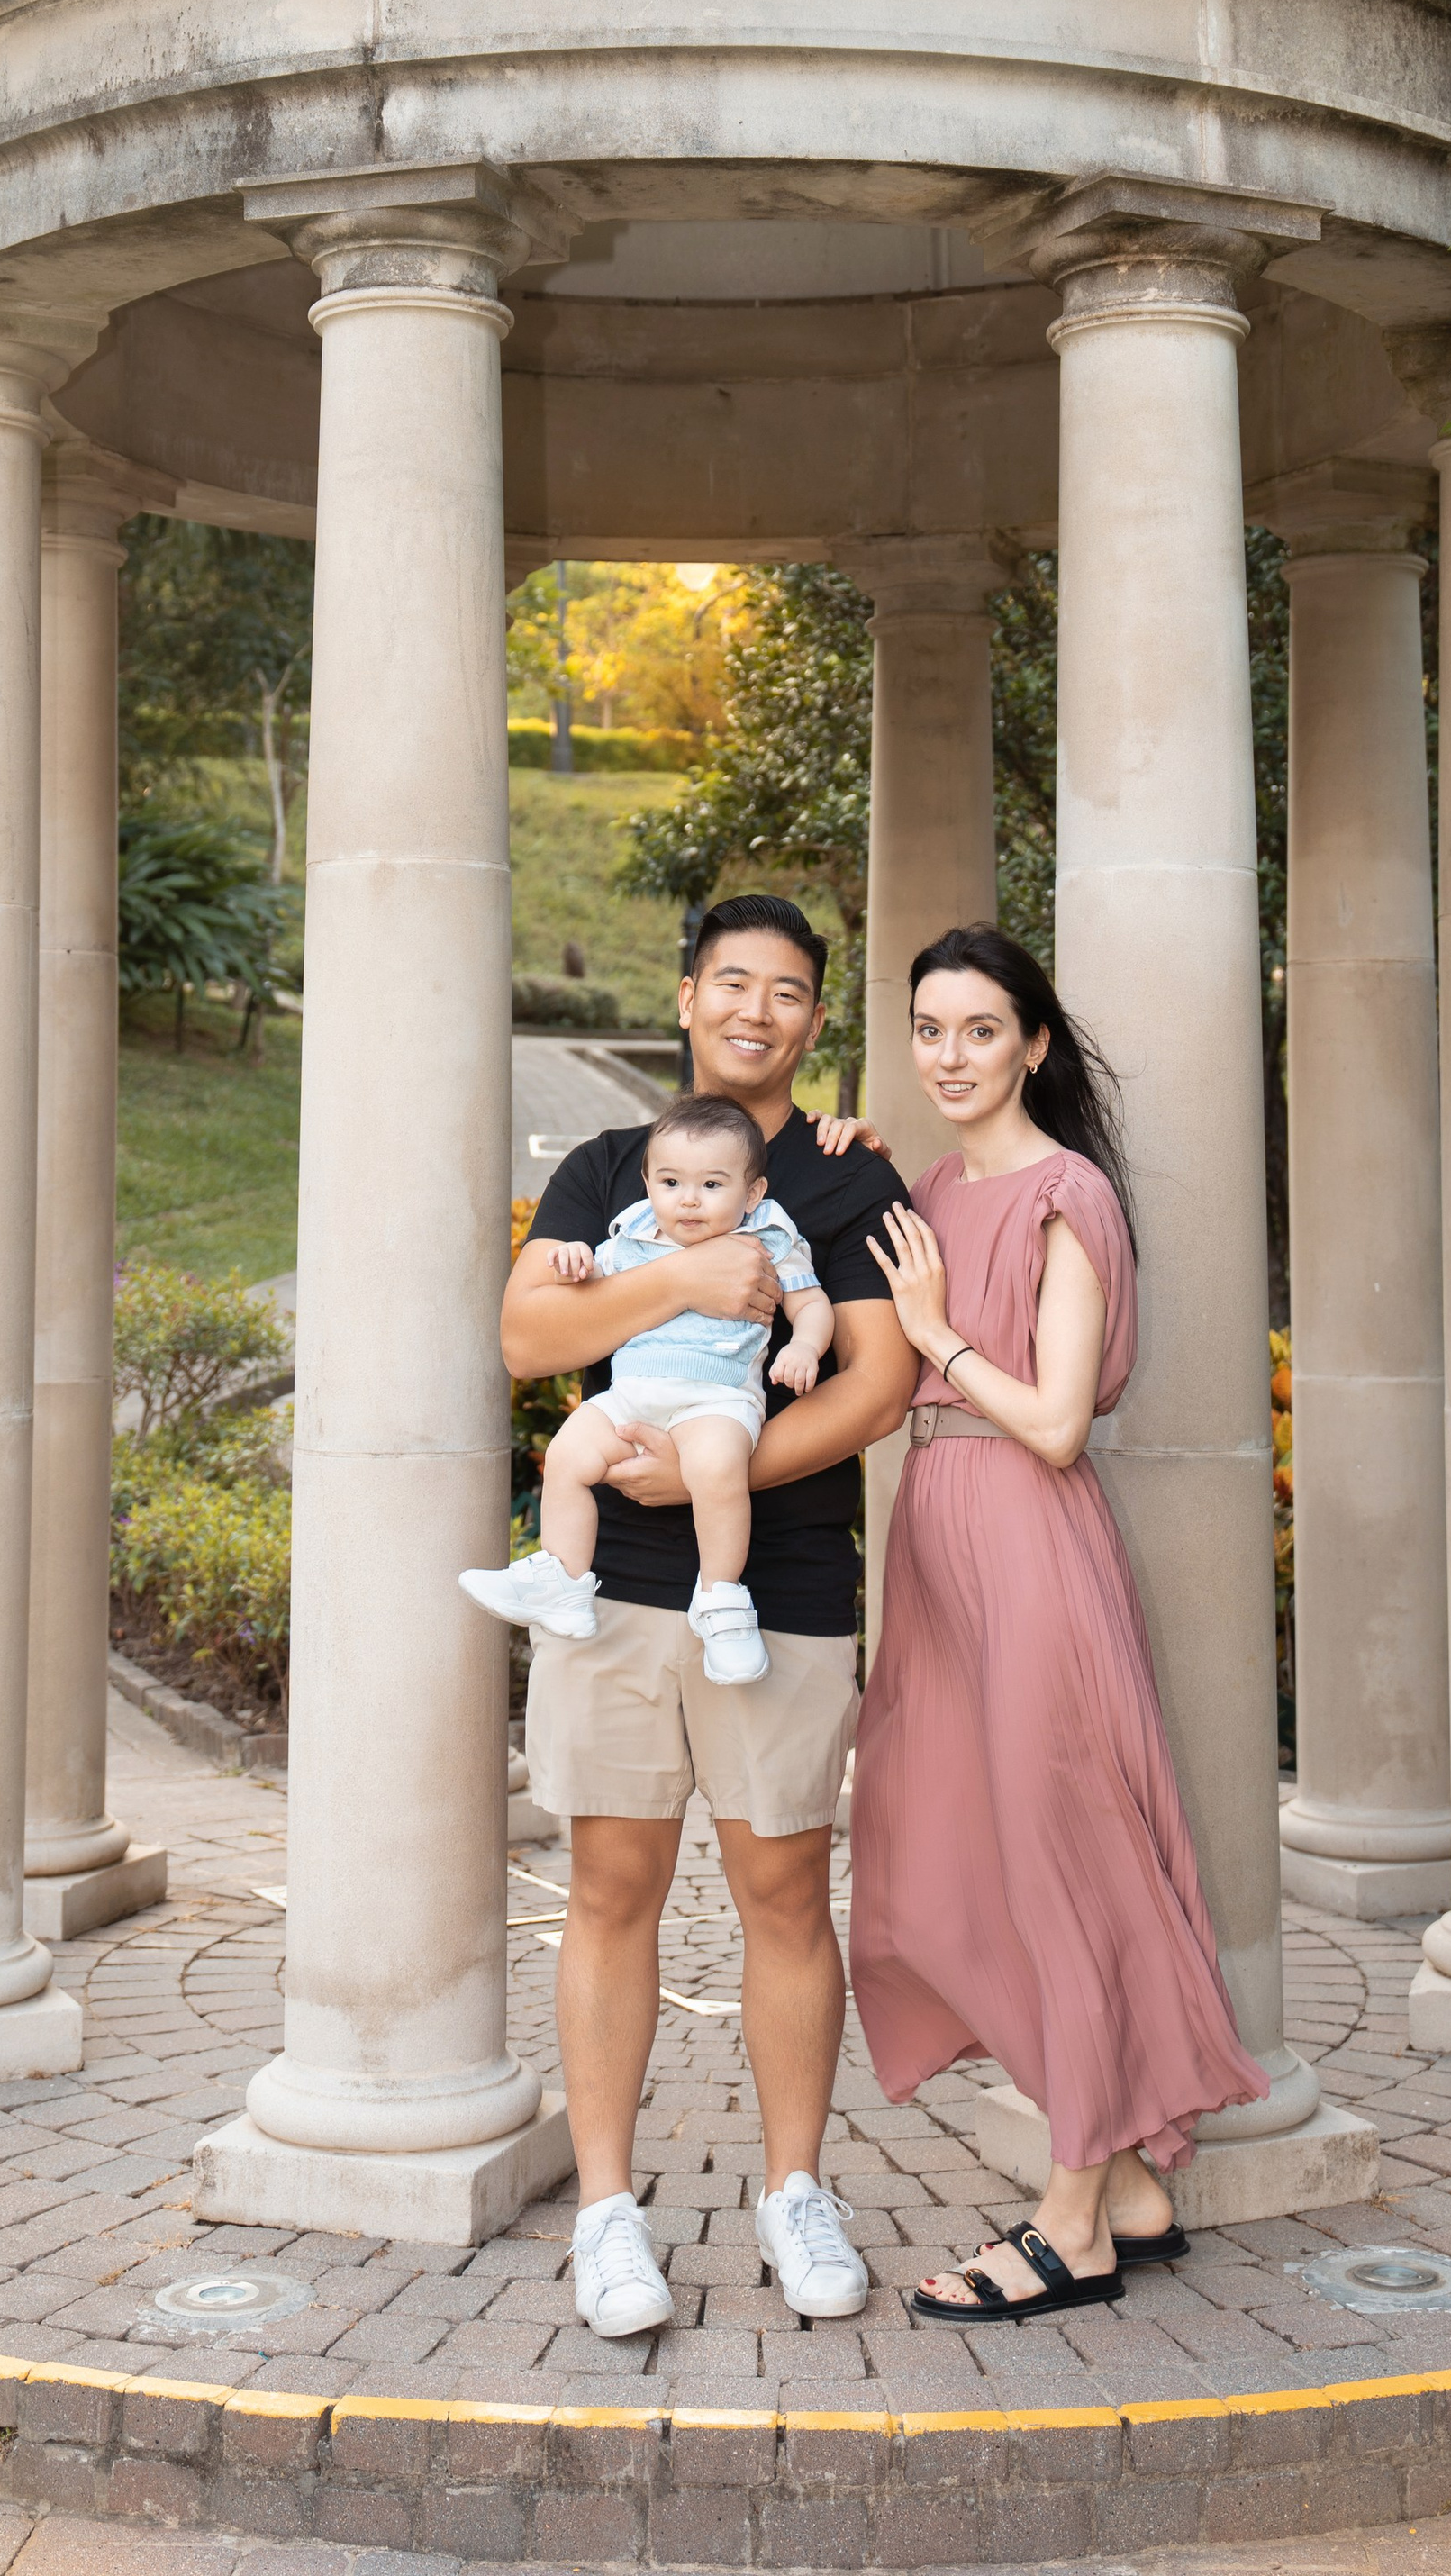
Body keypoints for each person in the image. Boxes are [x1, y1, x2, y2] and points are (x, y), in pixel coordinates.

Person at [501, 893, 915, 2341]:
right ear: (685, 999)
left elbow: (876, 1383)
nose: (755, 1010)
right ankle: (608, 2213)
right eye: (730, 984)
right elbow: (526, 1338)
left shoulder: (852, 1182)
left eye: (787, 991)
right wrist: (678, 1276)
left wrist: (704, 1471)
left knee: (787, 1895)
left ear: (814, 1020)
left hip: (786, 1586)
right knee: (609, 1888)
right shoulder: (613, 1166)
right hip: (611, 1589)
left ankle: (797, 2189)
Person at [849, 922, 1267, 2325]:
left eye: (981, 1030)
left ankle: (1075, 2219)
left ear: (1033, 1043)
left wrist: (938, 1331)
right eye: (929, 1030)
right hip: (938, 1553)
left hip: (1028, 1543)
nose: (951, 1056)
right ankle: (1136, 2190)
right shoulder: (922, 1192)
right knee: (951, 1852)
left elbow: (1056, 1423)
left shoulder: (1062, 1195)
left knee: (1062, 1860)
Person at [462, 1091, 832, 1684]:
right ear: (647, 1184)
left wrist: (804, 1345)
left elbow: (810, 1301)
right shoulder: (633, 1231)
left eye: (712, 1185)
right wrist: (578, 1258)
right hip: (631, 1394)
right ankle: (564, 1580)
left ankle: (721, 1599)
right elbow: (590, 1282)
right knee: (566, 1457)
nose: (687, 1199)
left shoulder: (768, 1235)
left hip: (716, 1397)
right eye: (669, 1182)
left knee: (715, 1469)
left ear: (751, 1192)